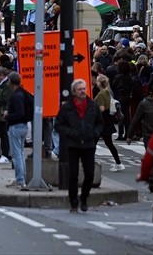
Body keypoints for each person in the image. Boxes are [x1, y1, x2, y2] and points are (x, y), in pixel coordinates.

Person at [54, 78, 104, 213]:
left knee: (89, 173)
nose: (82, 91)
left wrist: (94, 134)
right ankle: (73, 202)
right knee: (73, 174)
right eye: (80, 89)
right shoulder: (67, 107)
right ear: (74, 92)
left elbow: (100, 123)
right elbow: (58, 124)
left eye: (84, 88)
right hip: (73, 144)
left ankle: (84, 197)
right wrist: (70, 133)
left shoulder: (92, 105)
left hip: (88, 144)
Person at [4, 72, 31, 190]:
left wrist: (7, 115)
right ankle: (21, 177)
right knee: (19, 153)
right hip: (23, 126)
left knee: (16, 154)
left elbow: (19, 113)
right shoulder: (23, 93)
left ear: (10, 81)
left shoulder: (16, 96)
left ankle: (20, 179)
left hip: (16, 126)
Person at [94, 75, 124, 171]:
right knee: (109, 143)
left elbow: (102, 108)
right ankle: (118, 163)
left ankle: (88, 162)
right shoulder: (108, 93)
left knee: (93, 142)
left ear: (99, 83)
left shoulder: (101, 94)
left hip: (102, 120)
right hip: (108, 119)